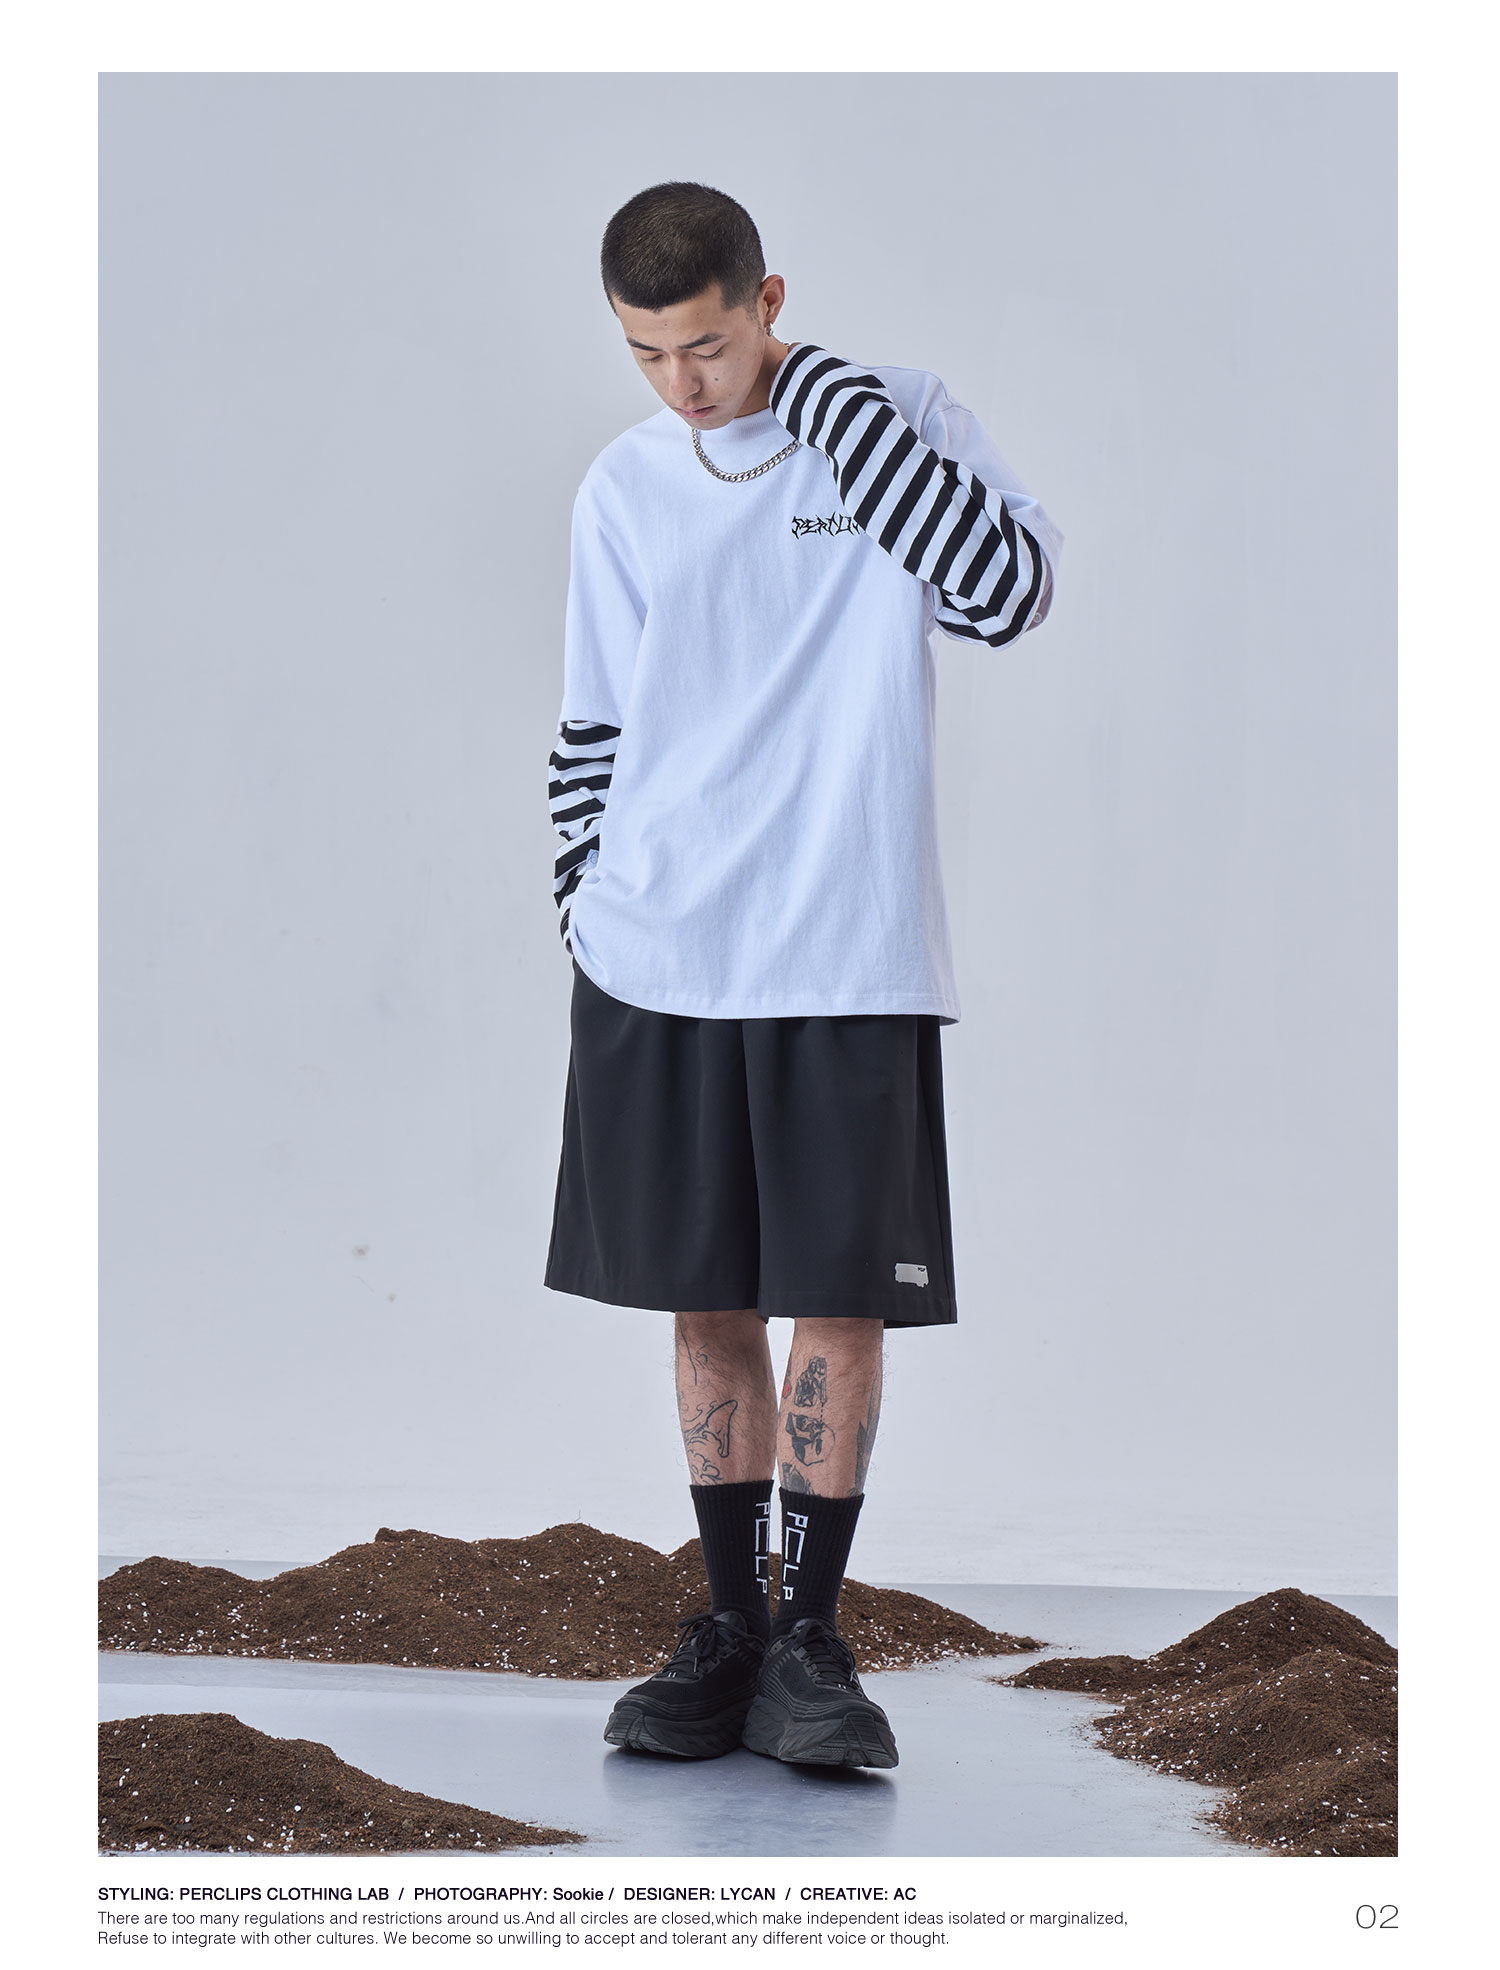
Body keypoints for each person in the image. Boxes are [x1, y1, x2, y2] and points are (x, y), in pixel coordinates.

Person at [543, 181, 1062, 1770]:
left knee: (837, 1293)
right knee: (704, 1294)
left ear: (768, 300)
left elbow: (1006, 593)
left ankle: (811, 1640)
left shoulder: (895, 417)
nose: (682, 384)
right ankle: (729, 1629)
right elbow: (592, 723)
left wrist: (831, 406)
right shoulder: (627, 484)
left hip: (845, 940)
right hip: (661, 947)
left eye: (705, 345)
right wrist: (583, 902)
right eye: (646, 355)